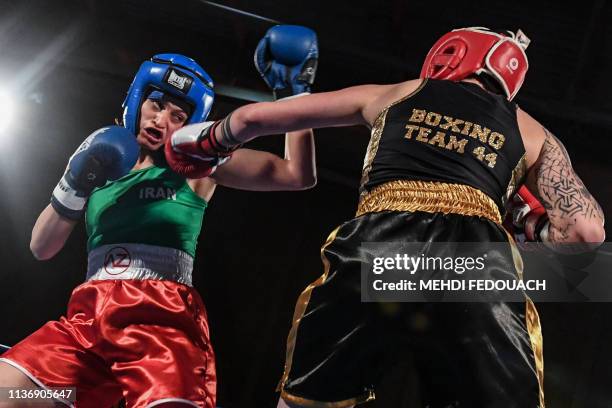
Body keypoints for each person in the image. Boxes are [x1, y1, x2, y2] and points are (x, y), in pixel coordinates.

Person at [167, 27, 605, 408]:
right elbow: (586, 234)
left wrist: (206, 142)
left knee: (307, 398)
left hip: (382, 250)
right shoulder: (531, 130)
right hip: (471, 261)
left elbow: (251, 119)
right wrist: (530, 224)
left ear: (449, 54)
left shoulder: (395, 92)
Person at [0, 25, 319, 408]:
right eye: (155, 105)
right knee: (8, 393)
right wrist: (75, 182)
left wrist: (293, 94)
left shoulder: (197, 164)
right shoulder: (100, 164)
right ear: (136, 101)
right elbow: (41, 247)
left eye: (177, 114)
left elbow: (295, 175)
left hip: (161, 321)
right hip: (88, 325)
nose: (160, 119)